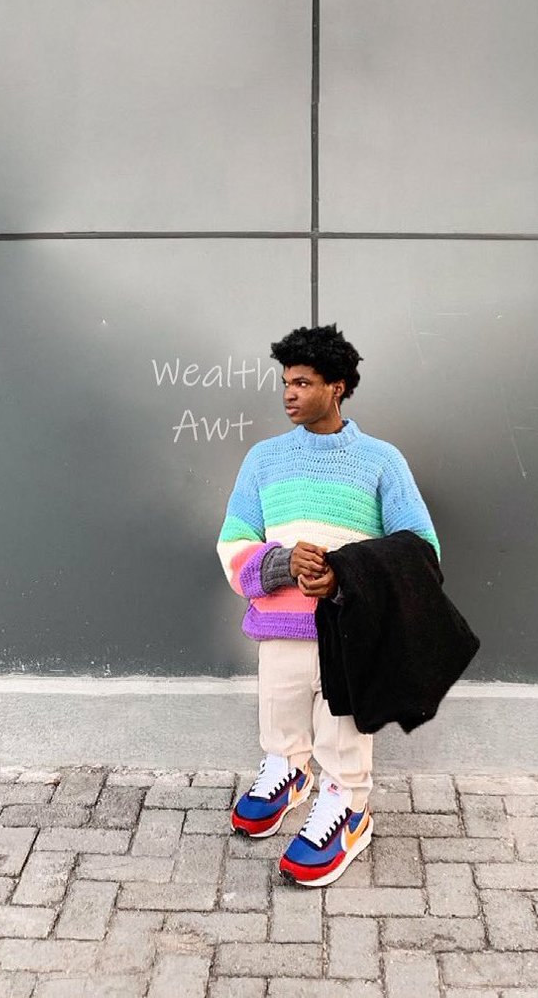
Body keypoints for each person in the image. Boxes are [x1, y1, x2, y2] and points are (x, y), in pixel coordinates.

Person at [217, 324, 439, 886]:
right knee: (280, 712)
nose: (288, 394)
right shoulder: (263, 460)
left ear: (336, 386)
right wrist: (281, 564)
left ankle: (348, 808)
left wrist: (345, 575)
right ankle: (288, 771)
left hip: (348, 630)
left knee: (342, 732)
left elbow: (421, 548)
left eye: (303, 383)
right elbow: (234, 541)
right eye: (286, 382)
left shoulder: (381, 461)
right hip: (279, 627)